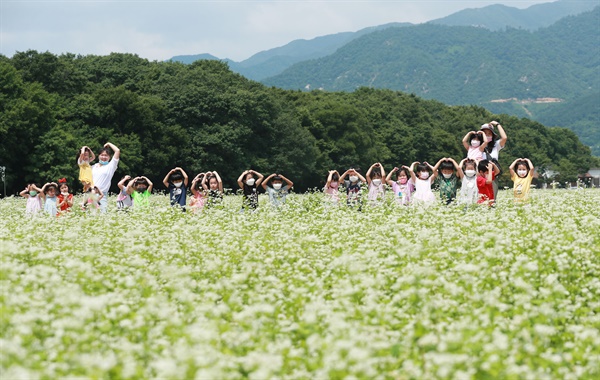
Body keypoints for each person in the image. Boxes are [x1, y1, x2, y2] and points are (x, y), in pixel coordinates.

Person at [480, 121, 507, 200]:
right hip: (480, 177)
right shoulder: (477, 146)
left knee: (492, 199)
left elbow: (504, 138)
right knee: (480, 199)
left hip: (493, 176)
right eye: (484, 133)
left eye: (489, 133)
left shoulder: (496, 145)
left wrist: (498, 124)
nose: (487, 135)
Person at [91, 142, 120, 212]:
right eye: (102, 155)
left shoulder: (111, 166)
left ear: (109, 157)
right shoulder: (93, 166)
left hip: (102, 195)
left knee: (102, 215)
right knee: (91, 215)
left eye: (106, 155)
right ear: (98, 156)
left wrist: (109, 144)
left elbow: (117, 151)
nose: (104, 157)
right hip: (91, 194)